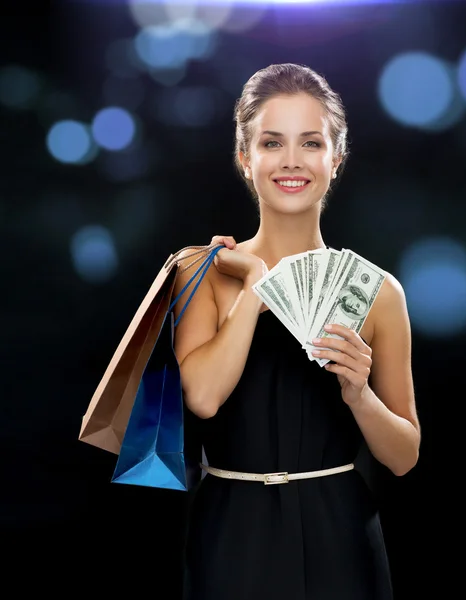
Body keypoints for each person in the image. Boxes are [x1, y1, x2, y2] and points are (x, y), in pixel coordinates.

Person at [171, 63, 420, 600]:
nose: (291, 161)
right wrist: (258, 288)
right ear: (245, 157)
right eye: (271, 142)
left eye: (311, 142)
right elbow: (204, 397)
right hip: (231, 533)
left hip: (342, 533)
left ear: (337, 157)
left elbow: (403, 455)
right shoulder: (200, 270)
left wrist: (359, 395)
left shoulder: (378, 291)